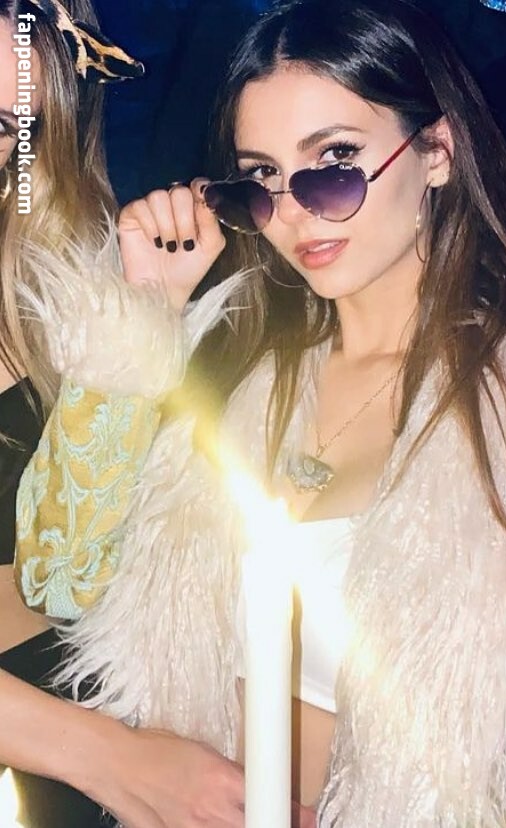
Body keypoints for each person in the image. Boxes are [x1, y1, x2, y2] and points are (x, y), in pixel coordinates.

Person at [15, 0, 506, 824]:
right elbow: (59, 579)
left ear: (436, 152)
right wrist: (142, 315)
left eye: (335, 162)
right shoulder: (226, 374)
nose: (297, 210)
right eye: (263, 179)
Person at [0, 1, 245, 825]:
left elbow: (69, 576)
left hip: (87, 733)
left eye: (2, 126)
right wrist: (108, 757)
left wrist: (143, 315)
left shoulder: (53, 298)